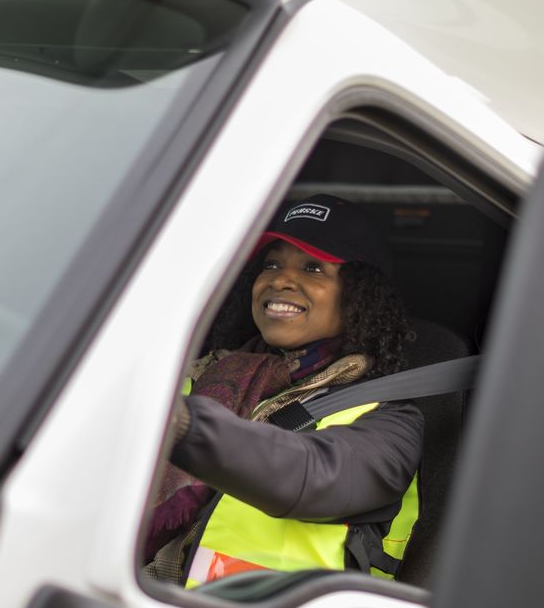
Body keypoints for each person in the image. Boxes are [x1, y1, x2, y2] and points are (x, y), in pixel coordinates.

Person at [144, 194, 423, 587]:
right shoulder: (200, 377)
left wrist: (185, 426)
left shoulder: (388, 418)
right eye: (271, 264)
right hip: (138, 599)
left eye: (313, 268)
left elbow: (312, 477)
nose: (280, 280)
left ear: (361, 296)